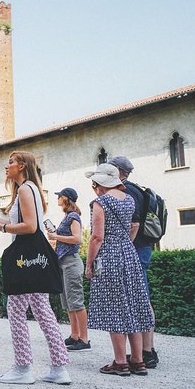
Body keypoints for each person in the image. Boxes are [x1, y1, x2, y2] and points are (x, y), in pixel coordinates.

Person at [0, 151, 71, 385]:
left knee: (15, 309)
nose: (6, 165)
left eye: (10, 162)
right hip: (37, 259)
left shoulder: (24, 189)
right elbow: (29, 224)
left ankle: (23, 368)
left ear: (21, 166)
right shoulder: (32, 188)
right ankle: (60, 368)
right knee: (43, 310)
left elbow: (30, 227)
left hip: (25, 260)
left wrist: (1, 229)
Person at [84, 163, 154, 376]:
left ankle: (120, 362)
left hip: (110, 256)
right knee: (133, 306)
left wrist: (89, 264)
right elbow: (134, 226)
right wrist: (125, 243)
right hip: (129, 253)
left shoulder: (100, 202)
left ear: (98, 184)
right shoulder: (130, 200)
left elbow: (97, 237)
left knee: (115, 309)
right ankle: (138, 361)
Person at [108, 155, 159, 368]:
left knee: (140, 299)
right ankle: (146, 351)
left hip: (134, 249)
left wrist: (123, 248)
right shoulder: (138, 189)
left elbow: (133, 223)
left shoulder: (126, 191)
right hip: (143, 248)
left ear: (118, 171)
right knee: (141, 297)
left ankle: (146, 353)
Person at [46, 187, 90, 351]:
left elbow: (77, 239)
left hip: (71, 262)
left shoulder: (73, 216)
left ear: (66, 198)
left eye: (60, 196)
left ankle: (84, 340)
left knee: (76, 301)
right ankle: (74, 335)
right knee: (68, 302)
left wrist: (56, 236)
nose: (57, 198)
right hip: (64, 262)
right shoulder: (67, 216)